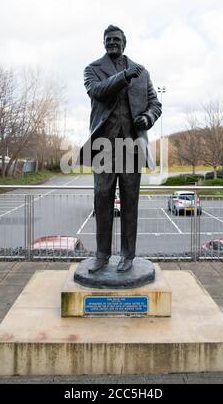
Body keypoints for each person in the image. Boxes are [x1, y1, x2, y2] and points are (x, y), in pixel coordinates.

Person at [81, 25, 161, 273]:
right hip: (104, 147)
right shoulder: (92, 69)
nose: (112, 42)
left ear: (124, 43)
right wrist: (125, 76)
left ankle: (128, 256)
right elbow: (97, 92)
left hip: (132, 147)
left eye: (116, 39)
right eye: (108, 39)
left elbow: (155, 103)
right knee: (102, 201)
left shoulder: (143, 72)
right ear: (103, 42)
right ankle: (102, 255)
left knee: (130, 203)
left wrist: (147, 118)